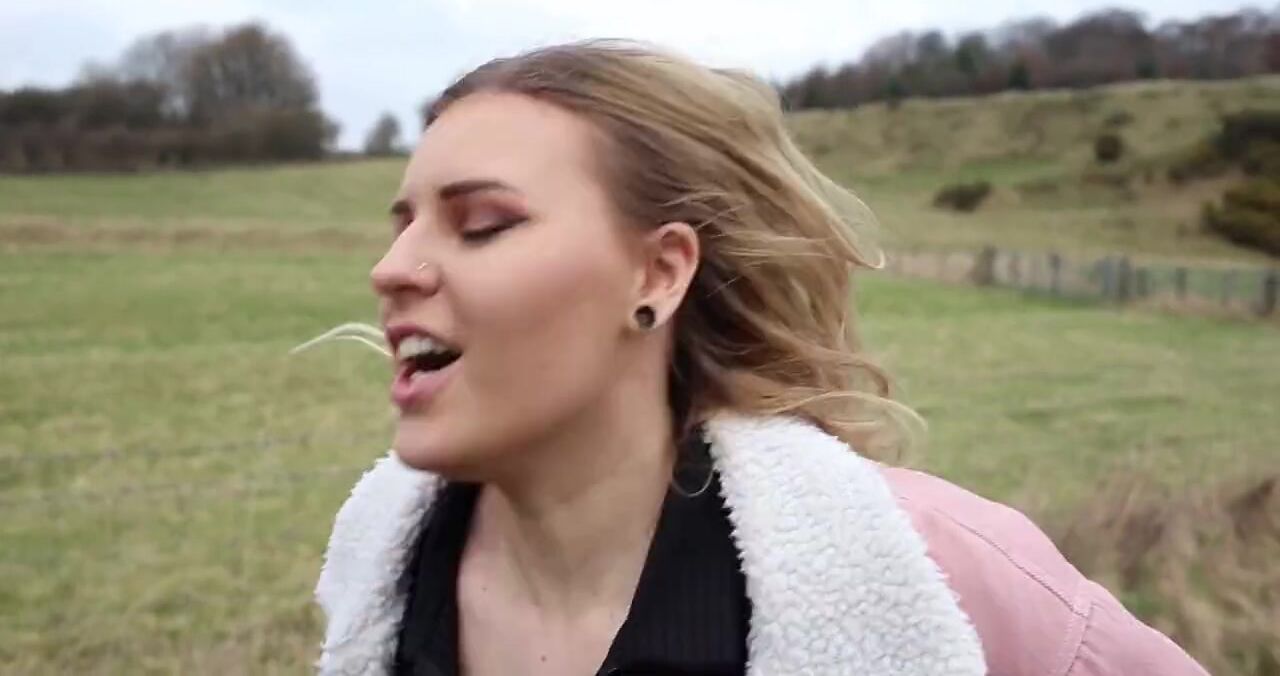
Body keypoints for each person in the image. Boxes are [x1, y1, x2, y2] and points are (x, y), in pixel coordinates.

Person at [310, 41, 1207, 675]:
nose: (390, 270)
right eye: (404, 225)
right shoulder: (380, 572)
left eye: (481, 225)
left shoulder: (936, 572)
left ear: (659, 273)